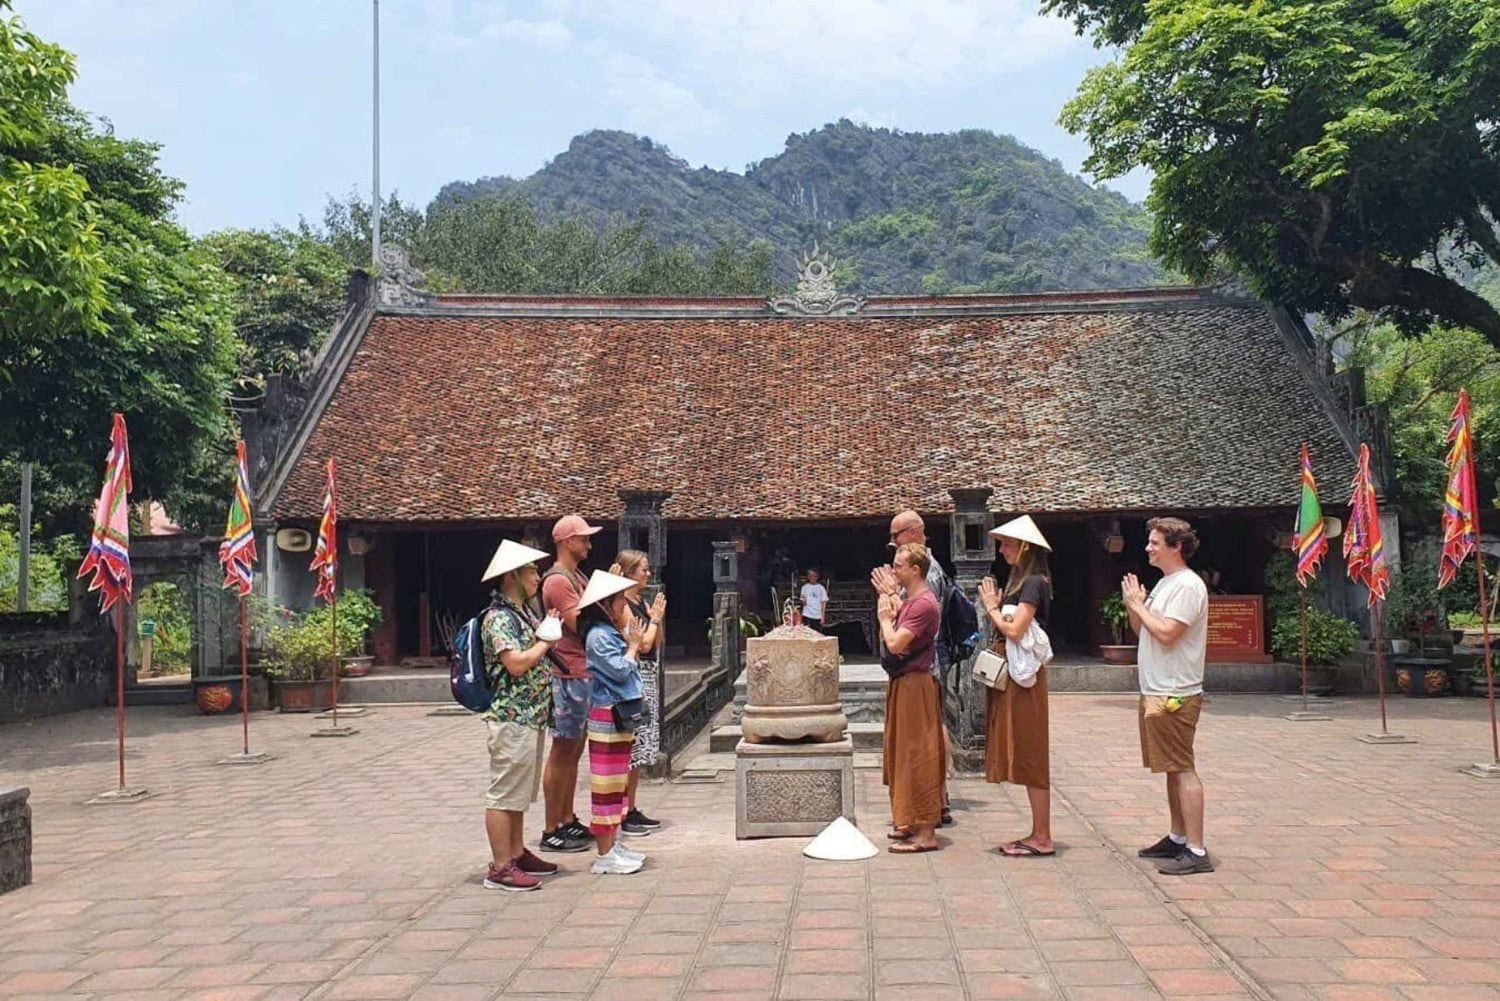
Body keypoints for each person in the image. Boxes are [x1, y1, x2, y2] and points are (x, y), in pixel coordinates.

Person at [1124, 516, 1214, 876]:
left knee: (1182, 767)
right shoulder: (1165, 584)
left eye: (1155, 543)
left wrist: (1140, 606)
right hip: (1156, 687)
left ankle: (1196, 848)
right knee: (1170, 768)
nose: (1148, 548)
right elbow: (1142, 630)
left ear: (1176, 547)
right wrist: (1134, 605)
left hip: (1175, 691)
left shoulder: (1188, 586)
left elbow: (1167, 633)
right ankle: (1178, 837)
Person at [477, 540, 563, 891]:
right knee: (504, 792)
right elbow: (514, 663)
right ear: (512, 575)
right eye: (531, 571)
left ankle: (515, 851)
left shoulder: (523, 612)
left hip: (529, 715)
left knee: (519, 792)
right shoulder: (499, 617)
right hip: (512, 714)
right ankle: (500, 866)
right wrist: (545, 642)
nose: (537, 577)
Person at [977, 515, 1055, 858]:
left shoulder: (1034, 582)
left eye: (1007, 544)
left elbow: (1015, 629)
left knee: (1031, 751)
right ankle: (1038, 832)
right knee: (1023, 750)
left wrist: (992, 608)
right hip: (1011, 675)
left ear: (1024, 547)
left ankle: (1042, 836)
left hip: (1025, 679)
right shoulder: (1019, 582)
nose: (1002, 550)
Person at [872, 509, 955, 826]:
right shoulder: (917, 574)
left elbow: (913, 620)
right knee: (910, 740)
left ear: (913, 532)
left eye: (896, 537)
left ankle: (934, 801)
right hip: (910, 664)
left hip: (923, 665)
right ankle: (922, 804)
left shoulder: (927, 576)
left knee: (925, 737)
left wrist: (890, 599)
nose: (893, 544)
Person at [575, 569, 649, 875]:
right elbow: (619, 671)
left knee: (617, 784)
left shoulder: (607, 632)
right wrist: (632, 646)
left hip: (616, 711)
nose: (623, 604)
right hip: (607, 713)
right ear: (605, 603)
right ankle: (604, 853)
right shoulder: (598, 636)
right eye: (618, 599)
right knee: (606, 785)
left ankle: (613, 843)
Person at [538, 514, 601, 854]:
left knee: (574, 750)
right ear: (566, 541)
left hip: (582, 669)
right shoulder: (558, 581)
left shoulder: (578, 576)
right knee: (562, 750)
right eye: (583, 538)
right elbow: (581, 624)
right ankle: (551, 827)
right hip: (568, 672)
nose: (588, 544)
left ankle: (566, 817)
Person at [878, 543, 945, 853]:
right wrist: (891, 599)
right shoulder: (911, 601)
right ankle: (910, 819)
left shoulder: (924, 605)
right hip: (903, 682)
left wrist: (883, 618)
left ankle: (926, 831)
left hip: (916, 684)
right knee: (901, 752)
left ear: (916, 570)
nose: (894, 570)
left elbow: (895, 643)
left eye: (899, 566)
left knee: (919, 754)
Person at [613, 550, 666, 837]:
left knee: (640, 748)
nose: (648, 574)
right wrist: (654, 622)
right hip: (632, 676)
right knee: (629, 748)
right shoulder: (622, 605)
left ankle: (631, 807)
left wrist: (657, 620)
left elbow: (655, 642)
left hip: (647, 673)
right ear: (628, 572)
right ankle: (621, 810)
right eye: (643, 569)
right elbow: (641, 644)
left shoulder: (642, 603)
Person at [799, 568, 829, 632]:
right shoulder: (804, 587)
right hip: (807, 614)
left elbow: (823, 603)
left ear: (817, 577)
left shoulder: (821, 588)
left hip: (817, 615)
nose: (812, 578)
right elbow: (803, 603)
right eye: (810, 576)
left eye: (814, 576)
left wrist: (822, 617)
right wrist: (803, 601)